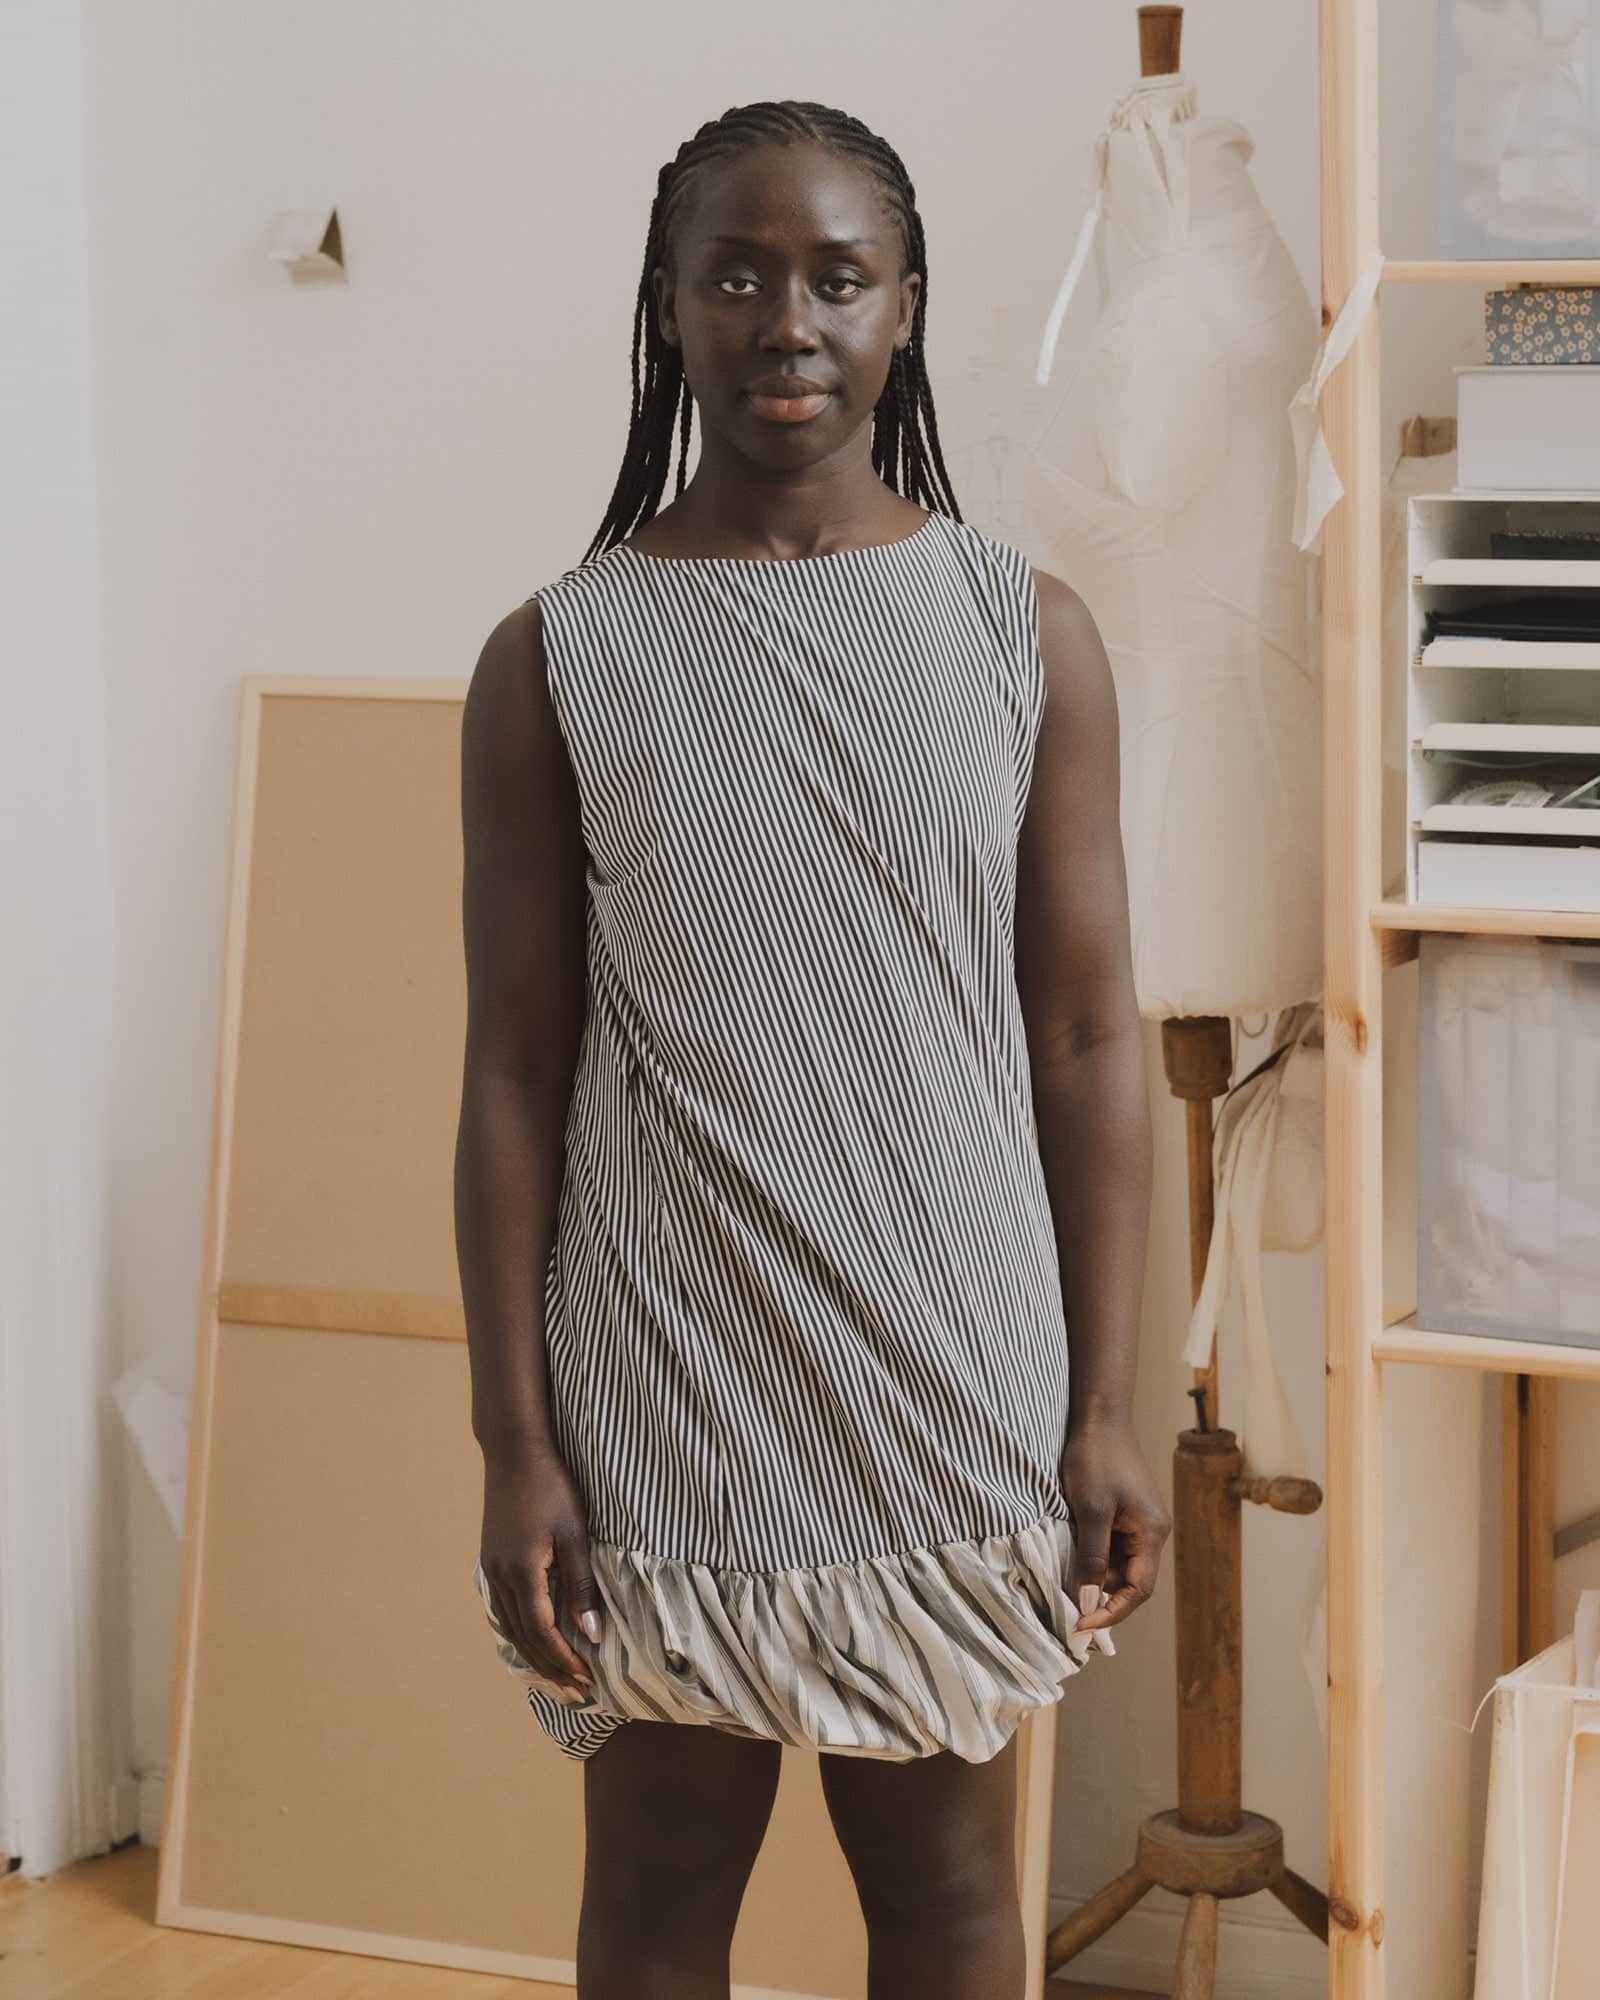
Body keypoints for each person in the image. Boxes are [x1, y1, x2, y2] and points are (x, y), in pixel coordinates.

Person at [454, 97, 1170, 2000]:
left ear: (905, 306)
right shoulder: (556, 656)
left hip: (956, 1367)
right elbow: (513, 1071)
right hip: (663, 1372)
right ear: (669, 307)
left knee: (944, 1890)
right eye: (738, 277)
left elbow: (1091, 1034)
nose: (789, 321)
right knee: (659, 1885)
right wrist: (514, 1439)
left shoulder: (1024, 633)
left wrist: (1112, 1399)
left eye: (839, 278)